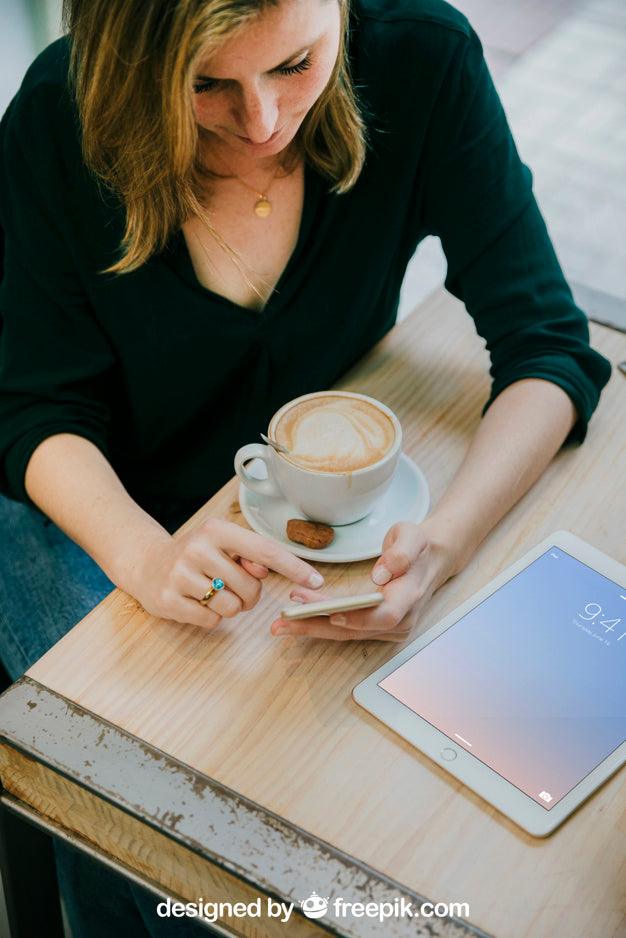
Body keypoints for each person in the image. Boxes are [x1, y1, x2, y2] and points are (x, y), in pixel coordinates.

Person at [0, 0, 611, 933]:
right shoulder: (58, 114)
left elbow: (548, 347)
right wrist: (145, 554)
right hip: (93, 508)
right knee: (146, 821)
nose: (262, 122)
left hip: (291, 537)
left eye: (296, 63)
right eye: (206, 83)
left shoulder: (422, 60)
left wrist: (444, 547)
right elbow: (35, 408)